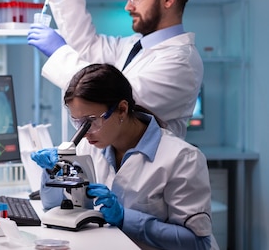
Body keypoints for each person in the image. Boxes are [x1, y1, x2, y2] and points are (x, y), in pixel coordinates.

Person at [31, 63, 217, 250]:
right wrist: (51, 171)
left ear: (122, 109)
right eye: (77, 121)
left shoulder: (182, 158)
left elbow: (197, 243)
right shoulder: (89, 147)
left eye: (91, 121)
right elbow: (53, 207)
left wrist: (125, 218)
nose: (84, 132)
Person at [27, 0, 203, 138]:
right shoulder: (134, 46)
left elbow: (116, 97)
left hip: (149, 166)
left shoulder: (182, 62)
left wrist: (59, 53)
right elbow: (88, 47)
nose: (128, 6)